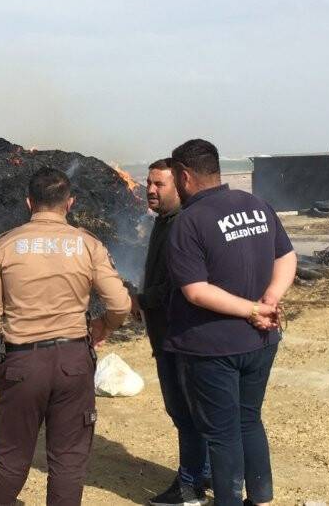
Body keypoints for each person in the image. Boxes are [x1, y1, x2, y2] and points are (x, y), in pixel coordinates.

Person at [0, 166, 132, 506]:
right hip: (73, 362)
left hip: (21, 363)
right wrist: (101, 327)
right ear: (69, 203)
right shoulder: (88, 245)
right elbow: (120, 303)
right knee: (68, 461)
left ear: (29, 202)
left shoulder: (6, 246)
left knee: (11, 457)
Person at [164, 139, 297, 506]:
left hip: (213, 347)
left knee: (222, 434)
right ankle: (262, 498)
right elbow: (286, 257)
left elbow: (196, 291)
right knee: (249, 421)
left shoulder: (189, 222)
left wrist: (253, 308)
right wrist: (271, 299)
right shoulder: (256, 205)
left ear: (185, 175)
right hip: (261, 341)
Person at [134, 159, 211, 506]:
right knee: (189, 412)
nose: (150, 190)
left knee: (186, 413)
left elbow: (177, 286)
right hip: (167, 334)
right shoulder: (165, 221)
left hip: (178, 337)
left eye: (159, 185)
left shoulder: (180, 224)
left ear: (178, 186)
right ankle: (204, 471)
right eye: (148, 183)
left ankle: (190, 486)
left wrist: (139, 299)